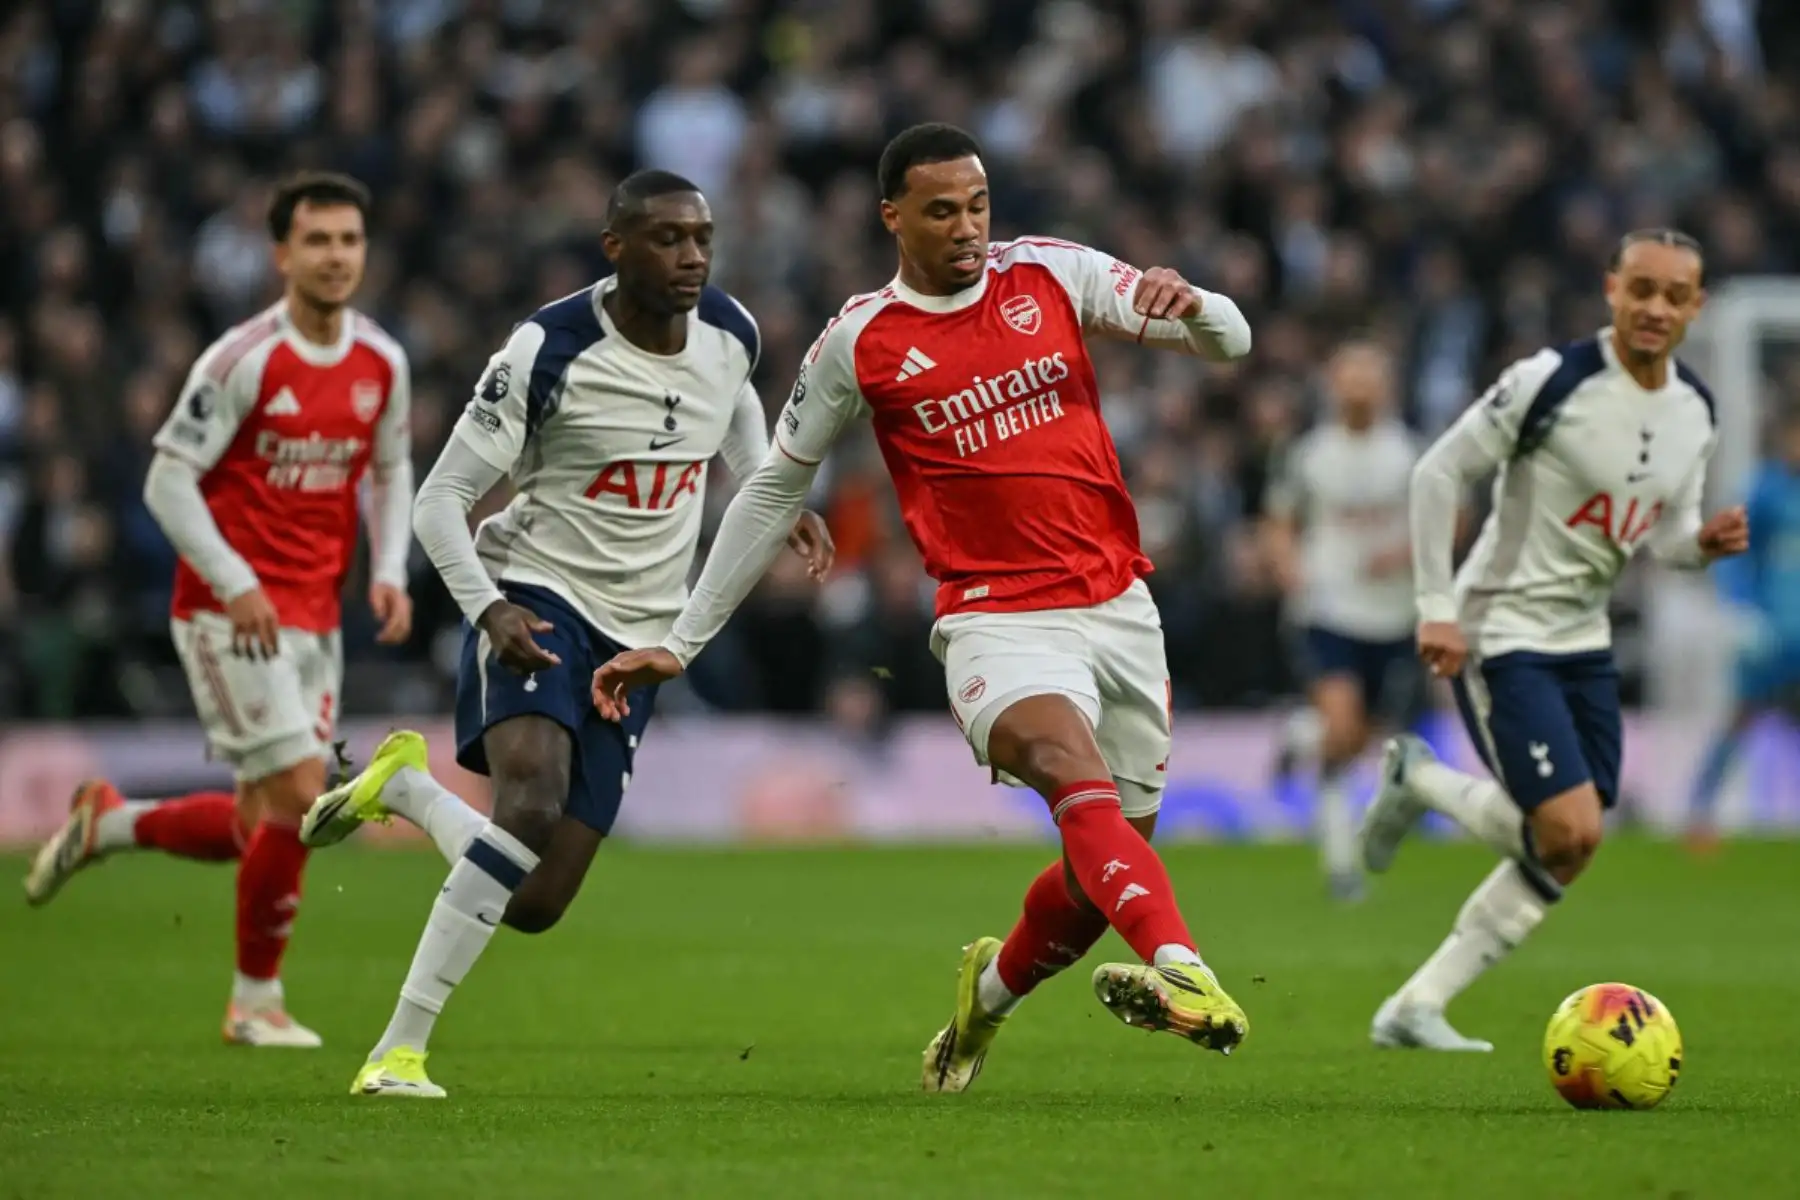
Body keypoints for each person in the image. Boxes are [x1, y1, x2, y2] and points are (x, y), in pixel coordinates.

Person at [593, 123, 1255, 1093]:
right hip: (997, 622)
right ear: (892, 217)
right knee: (1074, 775)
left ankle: (984, 1001)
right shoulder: (862, 339)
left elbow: (1232, 343)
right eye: (941, 211)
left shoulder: (1052, 276)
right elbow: (777, 487)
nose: (967, 228)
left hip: (1119, 605)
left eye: (977, 205)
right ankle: (1186, 974)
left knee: (1096, 876)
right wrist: (683, 640)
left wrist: (1195, 304)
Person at [297, 170, 832, 1098]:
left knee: (537, 902)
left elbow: (736, 410)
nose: (692, 256)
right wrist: (488, 608)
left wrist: (767, 493)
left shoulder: (731, 333)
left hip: (646, 634)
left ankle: (411, 791)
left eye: (701, 237)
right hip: (539, 596)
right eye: (667, 239)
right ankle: (399, 1051)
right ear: (615, 247)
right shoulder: (548, 348)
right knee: (530, 804)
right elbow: (440, 503)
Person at [23, 172, 415, 1047]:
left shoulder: (382, 361)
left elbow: (390, 471)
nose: (336, 256)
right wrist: (234, 580)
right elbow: (167, 478)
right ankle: (255, 1001)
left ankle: (109, 825)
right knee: (303, 800)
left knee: (259, 822)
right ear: (281, 254)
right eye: (317, 240)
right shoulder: (242, 359)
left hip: (314, 616)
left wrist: (388, 568)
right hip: (226, 612)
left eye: (350, 240)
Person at [1358, 229, 1749, 1051]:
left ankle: (1414, 1006)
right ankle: (1419, 780)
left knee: (1569, 847)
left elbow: (1666, 539)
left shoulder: (1695, 411)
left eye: (1674, 295)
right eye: (1640, 287)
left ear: (1696, 308)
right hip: (1498, 626)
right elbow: (1437, 470)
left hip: (1584, 640)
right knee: (1570, 831)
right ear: (1611, 289)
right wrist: (1435, 605)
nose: (1654, 307)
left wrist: (1700, 546)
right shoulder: (1551, 381)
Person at [1262, 342, 1422, 901]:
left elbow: (1447, 521)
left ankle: (1297, 737)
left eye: (1368, 377)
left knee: (1359, 739)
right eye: (1349, 377)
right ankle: (1341, 865)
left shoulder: (1408, 453)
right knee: (1343, 726)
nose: (1358, 388)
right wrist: (1289, 570)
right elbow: (1279, 519)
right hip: (1328, 610)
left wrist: (1404, 555)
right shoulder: (1310, 454)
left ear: (1385, 387)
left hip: (1393, 614)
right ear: (1333, 386)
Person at [1685, 405, 1800, 850]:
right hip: (1769, 635)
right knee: (1739, 721)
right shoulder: (1764, 491)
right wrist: (1741, 611)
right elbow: (1734, 556)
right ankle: (1700, 813)